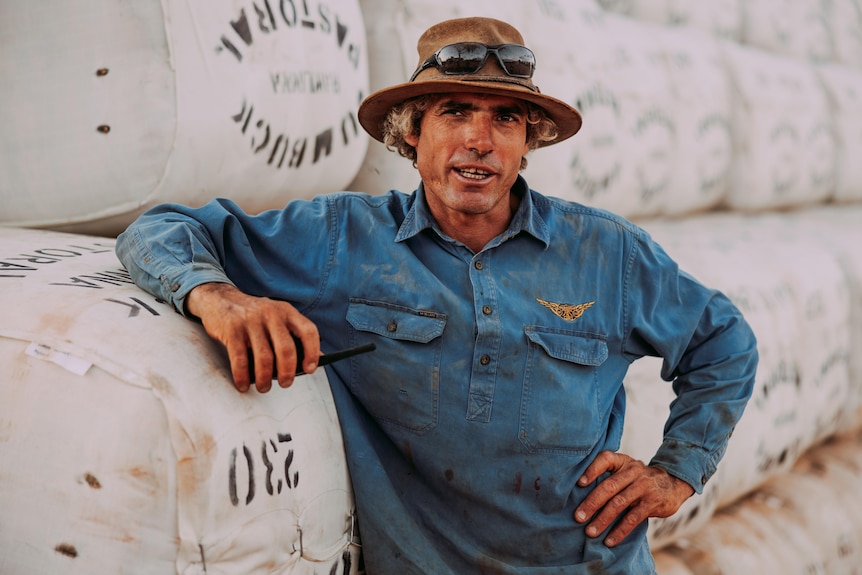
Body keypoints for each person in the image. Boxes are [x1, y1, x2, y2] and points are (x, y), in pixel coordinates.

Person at [116, 16, 757, 574]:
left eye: (505, 118)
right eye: (454, 112)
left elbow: (723, 341)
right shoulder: (344, 241)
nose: (479, 139)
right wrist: (217, 296)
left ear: (526, 143)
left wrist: (677, 471)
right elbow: (159, 229)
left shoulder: (606, 253)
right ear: (411, 134)